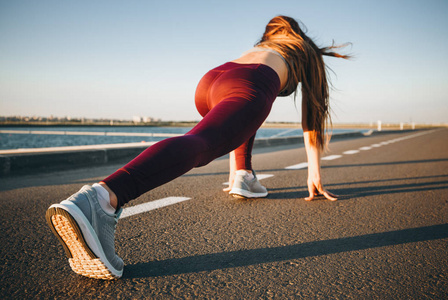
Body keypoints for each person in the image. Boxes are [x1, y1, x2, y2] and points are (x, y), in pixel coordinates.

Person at [45, 15, 350, 280]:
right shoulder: (303, 51)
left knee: (235, 123)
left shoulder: (266, 46)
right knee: (203, 144)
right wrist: (314, 173)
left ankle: (243, 175)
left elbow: (242, 117)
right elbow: (313, 115)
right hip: (250, 82)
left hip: (212, 81)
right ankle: (102, 198)